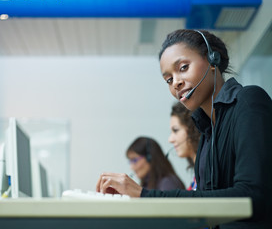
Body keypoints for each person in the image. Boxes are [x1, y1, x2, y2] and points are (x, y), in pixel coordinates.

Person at [96, 29, 272, 228]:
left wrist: (144, 196)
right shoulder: (206, 130)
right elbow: (205, 203)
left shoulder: (248, 101)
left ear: (212, 60)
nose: (176, 83)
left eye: (183, 67)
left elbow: (252, 198)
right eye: (169, 80)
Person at [169, 102, 200, 191]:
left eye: (175, 130)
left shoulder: (207, 169)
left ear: (193, 129)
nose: (170, 139)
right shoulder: (197, 173)